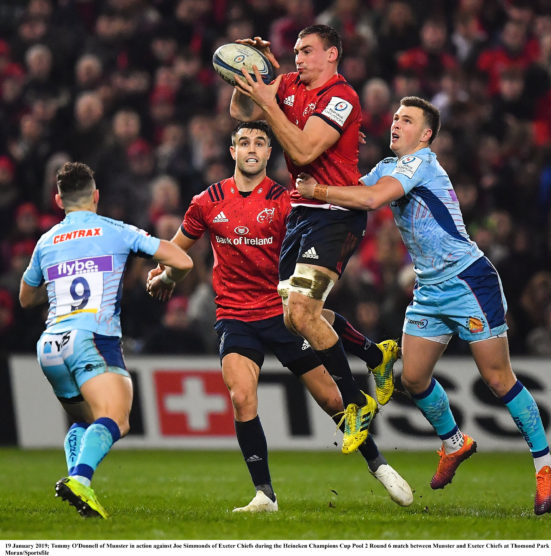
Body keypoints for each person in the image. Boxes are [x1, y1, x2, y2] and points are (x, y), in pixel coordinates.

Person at [296, 96, 551, 516]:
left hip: (468, 280)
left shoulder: (422, 164)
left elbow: (368, 201)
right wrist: (335, 156)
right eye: (396, 117)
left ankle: (546, 464)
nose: (396, 124)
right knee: (413, 377)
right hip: (429, 288)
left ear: (426, 134)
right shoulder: (387, 166)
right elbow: (349, 196)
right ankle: (455, 442)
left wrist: (321, 189)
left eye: (407, 119)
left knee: (497, 378)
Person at [147, 122, 410, 512]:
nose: (251, 149)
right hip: (235, 316)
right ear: (232, 150)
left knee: (332, 400)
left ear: (270, 152)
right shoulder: (207, 201)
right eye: (243, 142)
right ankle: (264, 495)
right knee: (241, 397)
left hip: (283, 313)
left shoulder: (288, 201)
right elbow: (176, 250)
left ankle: (380, 465)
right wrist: (162, 273)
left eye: (259, 142)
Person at [230, 25, 378, 454]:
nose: (297, 57)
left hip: (335, 214)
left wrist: (267, 104)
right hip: (302, 213)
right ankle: (373, 355)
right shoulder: (290, 84)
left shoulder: (341, 97)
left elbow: (302, 152)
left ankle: (356, 401)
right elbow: (243, 112)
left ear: (332, 54)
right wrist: (248, 69)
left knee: (302, 311)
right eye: (295, 50)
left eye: (307, 51)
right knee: (296, 319)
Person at [19, 161, 193, 519]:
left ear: (58, 200)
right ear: (96, 197)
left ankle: (78, 485)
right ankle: (80, 481)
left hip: (50, 344)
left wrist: (57, 285)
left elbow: (25, 297)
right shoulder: (115, 230)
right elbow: (183, 260)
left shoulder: (46, 240)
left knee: (84, 420)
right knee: (117, 418)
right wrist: (167, 278)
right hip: (92, 337)